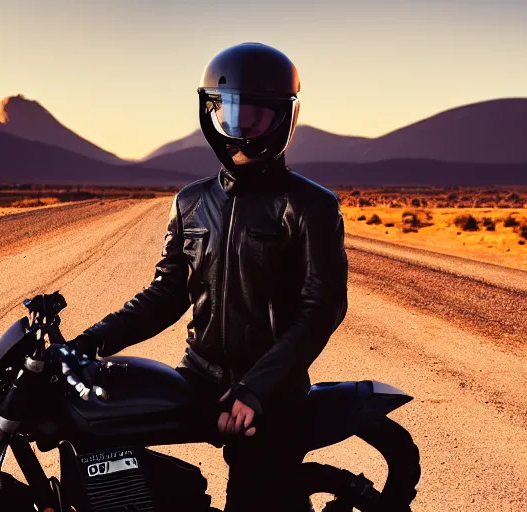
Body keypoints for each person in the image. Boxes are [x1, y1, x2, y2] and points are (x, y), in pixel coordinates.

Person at [69, 42, 348, 511]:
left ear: (282, 118)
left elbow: (322, 309)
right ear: (211, 113)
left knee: (254, 499)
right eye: (228, 113)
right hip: (197, 377)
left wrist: (257, 389)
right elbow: (166, 293)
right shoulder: (191, 201)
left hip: (271, 392)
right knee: (104, 438)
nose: (239, 128)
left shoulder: (310, 206)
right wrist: (86, 343)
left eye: (254, 116)